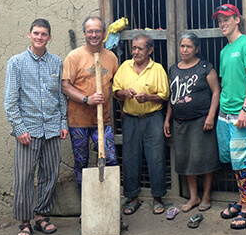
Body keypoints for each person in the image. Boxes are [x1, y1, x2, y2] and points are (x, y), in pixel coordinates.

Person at [4, 19, 69, 235]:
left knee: (49, 174)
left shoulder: (56, 62)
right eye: (36, 33)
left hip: (52, 129)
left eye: (44, 34)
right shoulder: (17, 63)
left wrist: (63, 123)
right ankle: (24, 221)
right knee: (24, 178)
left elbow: (60, 96)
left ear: (49, 37)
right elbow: (10, 100)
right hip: (28, 132)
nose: (40, 37)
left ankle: (41, 215)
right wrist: (19, 128)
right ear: (29, 35)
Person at [212, 4, 246, 230]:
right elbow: (225, 82)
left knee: (242, 162)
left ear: (237, 19)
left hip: (242, 114)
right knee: (232, 160)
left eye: (227, 19)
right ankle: (242, 201)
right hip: (225, 113)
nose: (223, 23)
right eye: (220, 20)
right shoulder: (224, 50)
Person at [113, 34, 170, 215]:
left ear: (150, 50)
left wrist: (148, 97)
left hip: (153, 118)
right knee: (130, 158)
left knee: (156, 158)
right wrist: (124, 93)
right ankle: (133, 199)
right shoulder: (124, 67)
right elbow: (115, 91)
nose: (136, 52)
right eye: (134, 48)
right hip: (131, 119)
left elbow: (165, 96)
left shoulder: (157, 69)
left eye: (140, 48)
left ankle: (158, 198)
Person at [163, 33, 221, 213]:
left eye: (188, 46)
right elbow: (173, 97)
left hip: (201, 121)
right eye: (182, 46)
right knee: (186, 159)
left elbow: (216, 92)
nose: (184, 50)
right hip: (180, 123)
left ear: (197, 48)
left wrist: (211, 116)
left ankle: (206, 196)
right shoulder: (173, 69)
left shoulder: (205, 68)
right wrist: (167, 119)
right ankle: (193, 196)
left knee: (204, 158)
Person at [61, 16, 118, 195]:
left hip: (103, 120)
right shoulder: (74, 57)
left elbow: (116, 85)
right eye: (90, 31)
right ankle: (85, 209)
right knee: (81, 163)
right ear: (85, 33)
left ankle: (109, 205)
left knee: (110, 160)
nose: (94, 35)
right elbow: (65, 86)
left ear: (103, 33)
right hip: (78, 122)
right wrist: (87, 99)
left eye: (98, 31)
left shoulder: (111, 57)